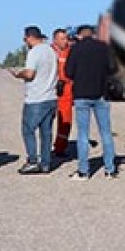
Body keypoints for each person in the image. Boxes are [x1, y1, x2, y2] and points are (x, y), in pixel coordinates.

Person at [65, 25, 118, 179]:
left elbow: (68, 72)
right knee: (106, 133)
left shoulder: (76, 49)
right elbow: (113, 68)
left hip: (82, 95)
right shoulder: (104, 48)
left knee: (83, 134)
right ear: (93, 35)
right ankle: (110, 169)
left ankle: (83, 171)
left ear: (80, 35)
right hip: (101, 94)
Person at [8, 25, 57, 174]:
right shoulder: (50, 50)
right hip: (51, 96)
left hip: (36, 98)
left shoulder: (34, 52)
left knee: (28, 130)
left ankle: (33, 161)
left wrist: (18, 74)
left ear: (29, 37)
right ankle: (46, 163)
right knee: (46, 132)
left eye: (25, 39)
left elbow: (30, 74)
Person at [51, 28, 74, 158]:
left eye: (66, 38)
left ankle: (60, 147)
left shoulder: (70, 52)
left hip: (66, 89)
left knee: (65, 120)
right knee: (46, 119)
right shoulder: (48, 51)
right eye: (62, 39)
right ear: (55, 39)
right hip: (50, 89)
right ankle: (44, 148)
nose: (65, 41)